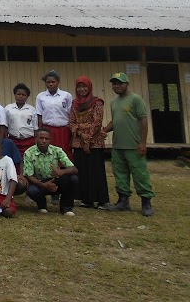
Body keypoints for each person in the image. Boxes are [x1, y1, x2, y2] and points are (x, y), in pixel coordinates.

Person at [101, 73, 155, 216]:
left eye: (120, 83)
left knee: (140, 173)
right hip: (118, 145)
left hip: (134, 145)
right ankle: (123, 201)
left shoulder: (136, 99)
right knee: (120, 174)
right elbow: (116, 120)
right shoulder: (114, 102)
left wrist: (143, 142)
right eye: (114, 83)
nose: (117, 86)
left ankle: (146, 202)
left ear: (127, 84)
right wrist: (105, 130)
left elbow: (143, 120)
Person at [68, 76, 109, 208]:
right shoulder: (74, 104)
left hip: (95, 142)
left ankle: (101, 200)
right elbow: (72, 122)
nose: (82, 89)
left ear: (89, 87)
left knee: (96, 171)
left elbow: (97, 123)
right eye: (79, 87)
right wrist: (80, 134)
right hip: (78, 141)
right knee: (83, 171)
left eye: (84, 86)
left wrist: (88, 140)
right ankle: (87, 199)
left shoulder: (97, 103)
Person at [23, 128, 79, 216]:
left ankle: (66, 208)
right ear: (36, 138)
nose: (44, 141)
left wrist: (62, 172)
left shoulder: (57, 150)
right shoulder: (29, 153)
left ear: (50, 140)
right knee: (32, 190)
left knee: (73, 179)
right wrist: (44, 185)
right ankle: (42, 205)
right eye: (41, 138)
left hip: (56, 182)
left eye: (46, 139)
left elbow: (74, 169)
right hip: (40, 183)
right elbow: (29, 175)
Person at [36, 70, 73, 160]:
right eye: (48, 82)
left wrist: (71, 131)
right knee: (49, 154)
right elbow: (39, 115)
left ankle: (64, 172)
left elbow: (71, 114)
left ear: (58, 82)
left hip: (63, 130)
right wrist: (40, 131)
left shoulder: (66, 96)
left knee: (64, 153)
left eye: (53, 82)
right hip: (48, 130)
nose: (51, 84)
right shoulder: (41, 96)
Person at [5, 83, 37, 160]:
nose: (21, 96)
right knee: (14, 160)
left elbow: (36, 128)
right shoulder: (8, 108)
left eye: (23, 94)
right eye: (18, 94)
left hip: (29, 141)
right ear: (14, 95)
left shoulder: (32, 110)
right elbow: (5, 126)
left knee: (28, 160)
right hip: (13, 140)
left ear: (27, 96)